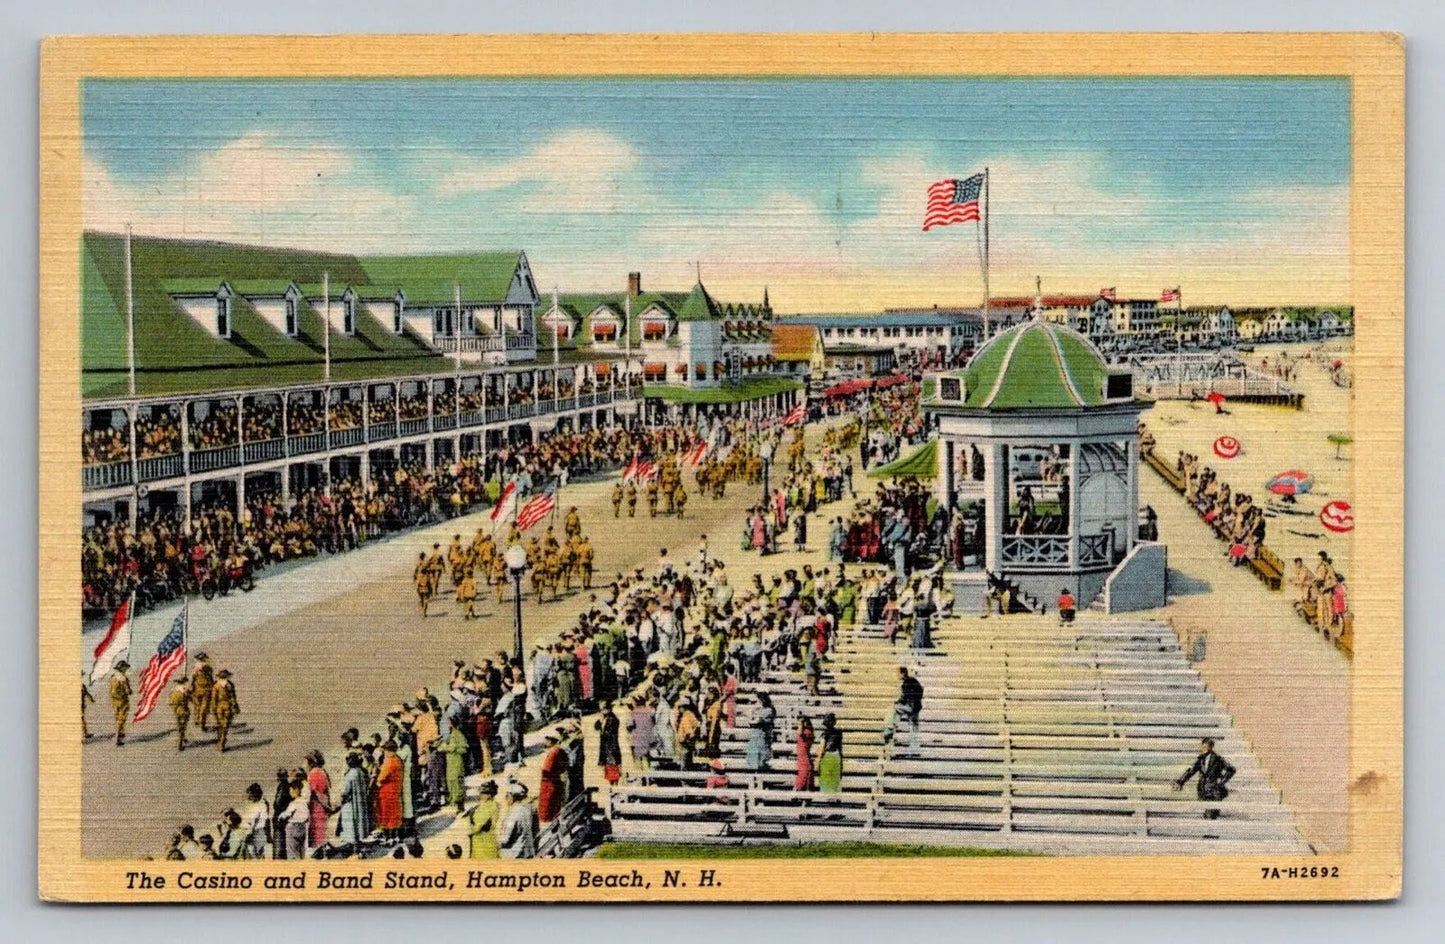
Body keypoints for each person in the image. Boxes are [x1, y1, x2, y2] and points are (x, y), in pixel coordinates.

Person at [1173, 737, 1237, 819]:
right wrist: (1180, 781)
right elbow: (1191, 771)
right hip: (1203, 789)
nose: (1204, 749)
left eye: (1207, 747)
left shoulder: (1218, 759)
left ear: (1211, 747)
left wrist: (1221, 781)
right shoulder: (1200, 759)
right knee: (1208, 814)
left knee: (1211, 814)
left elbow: (1231, 770)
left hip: (1214, 791)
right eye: (1203, 747)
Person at [336, 752, 373, 849]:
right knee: (359, 824)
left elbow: (345, 791)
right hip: (360, 801)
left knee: (351, 825)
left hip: (351, 803)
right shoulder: (361, 771)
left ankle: (353, 847)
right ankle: (358, 844)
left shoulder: (351, 774)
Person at [887, 666, 924, 754]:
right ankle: (914, 750)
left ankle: (892, 726)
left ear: (903, 673)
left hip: (911, 707)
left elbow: (904, 698)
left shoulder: (905, 683)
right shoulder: (913, 680)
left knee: (895, 709)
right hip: (916, 707)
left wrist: (897, 702)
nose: (896, 675)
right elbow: (921, 690)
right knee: (914, 727)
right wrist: (917, 700)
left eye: (898, 673)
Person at [499, 782, 539, 859]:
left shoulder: (514, 813)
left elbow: (505, 839)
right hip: (527, 852)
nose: (505, 798)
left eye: (507, 796)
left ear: (512, 798)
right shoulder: (526, 810)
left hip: (515, 854)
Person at [375, 740, 405, 841]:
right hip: (396, 790)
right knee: (395, 815)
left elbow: (380, 779)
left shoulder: (389, 762)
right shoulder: (398, 760)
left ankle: (388, 837)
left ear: (388, 751)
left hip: (386, 792)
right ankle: (395, 836)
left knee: (386, 815)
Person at [305, 751, 334, 852]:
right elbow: (328, 788)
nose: (305, 765)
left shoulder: (312, 775)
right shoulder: (323, 772)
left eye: (306, 763)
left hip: (317, 806)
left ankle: (321, 852)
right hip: (324, 802)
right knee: (322, 829)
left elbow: (315, 793)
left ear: (311, 763)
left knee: (317, 830)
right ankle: (323, 849)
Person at [537, 732, 567, 824]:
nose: (545, 742)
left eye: (547, 740)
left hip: (549, 783)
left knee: (548, 807)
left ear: (551, 741)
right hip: (556, 781)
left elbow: (547, 770)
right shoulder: (559, 750)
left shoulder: (553, 753)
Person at [467, 780, 501, 858]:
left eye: (483, 793)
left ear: (489, 795)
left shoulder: (485, 808)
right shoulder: (494, 804)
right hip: (490, 839)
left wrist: (469, 830)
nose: (480, 795)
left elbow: (477, 827)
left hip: (482, 842)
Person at [745, 692, 776, 771]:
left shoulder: (768, 710)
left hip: (762, 735)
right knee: (753, 754)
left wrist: (750, 717)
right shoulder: (761, 710)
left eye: (758, 701)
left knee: (760, 755)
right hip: (755, 734)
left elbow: (756, 721)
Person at [596, 702, 623, 786]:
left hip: (611, 745)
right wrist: (600, 721)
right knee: (608, 766)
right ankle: (612, 785)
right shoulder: (604, 718)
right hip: (606, 746)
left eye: (603, 709)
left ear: (608, 709)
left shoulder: (613, 719)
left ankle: (615, 785)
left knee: (613, 765)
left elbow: (609, 733)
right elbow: (596, 727)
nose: (601, 711)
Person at [212, 668, 239, 752]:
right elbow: (233, 698)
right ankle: (221, 745)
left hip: (219, 707)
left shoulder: (216, 685)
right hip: (228, 707)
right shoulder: (230, 685)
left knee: (220, 725)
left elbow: (214, 699)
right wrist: (235, 707)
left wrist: (214, 709)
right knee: (225, 726)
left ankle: (219, 743)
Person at [817, 713, 843, 794]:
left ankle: (828, 795)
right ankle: (835, 796)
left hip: (827, 756)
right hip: (836, 755)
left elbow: (821, 749)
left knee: (827, 776)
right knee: (835, 777)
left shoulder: (824, 734)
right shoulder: (838, 733)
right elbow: (840, 748)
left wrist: (818, 761)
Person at [108, 659, 132, 747]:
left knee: (118, 717)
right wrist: (129, 691)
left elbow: (110, 690)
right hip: (122, 700)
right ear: (122, 668)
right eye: (125, 668)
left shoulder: (112, 677)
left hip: (114, 700)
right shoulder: (123, 678)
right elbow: (128, 691)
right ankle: (118, 737)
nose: (126, 669)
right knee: (122, 718)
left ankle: (121, 733)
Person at [190, 653, 215, 732]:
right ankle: (197, 720)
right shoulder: (195, 669)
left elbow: (211, 679)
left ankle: (202, 724)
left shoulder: (208, 669)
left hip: (206, 690)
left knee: (203, 708)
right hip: (198, 690)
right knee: (198, 707)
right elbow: (192, 679)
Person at [168, 676, 191, 751]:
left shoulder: (173, 690)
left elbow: (170, 702)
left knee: (179, 725)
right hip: (183, 710)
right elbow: (190, 698)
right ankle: (180, 745)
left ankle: (183, 738)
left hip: (176, 710)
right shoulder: (185, 690)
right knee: (182, 727)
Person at [793, 715, 815, 791]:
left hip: (804, 757)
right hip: (802, 756)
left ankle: (795, 795)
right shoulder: (808, 731)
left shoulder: (807, 732)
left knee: (803, 778)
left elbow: (799, 733)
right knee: (804, 777)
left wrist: (801, 723)